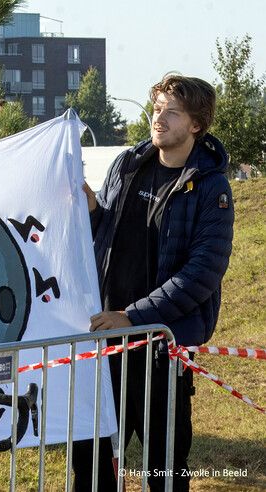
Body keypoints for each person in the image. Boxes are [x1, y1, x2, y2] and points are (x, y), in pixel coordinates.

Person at [73, 74, 234, 491]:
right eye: (157, 108)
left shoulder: (212, 188)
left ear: (196, 125)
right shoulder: (128, 164)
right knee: (91, 465)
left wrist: (133, 317)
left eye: (172, 112)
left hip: (162, 348)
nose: (158, 118)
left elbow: (201, 274)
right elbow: (105, 229)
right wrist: (91, 207)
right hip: (105, 343)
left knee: (163, 468)